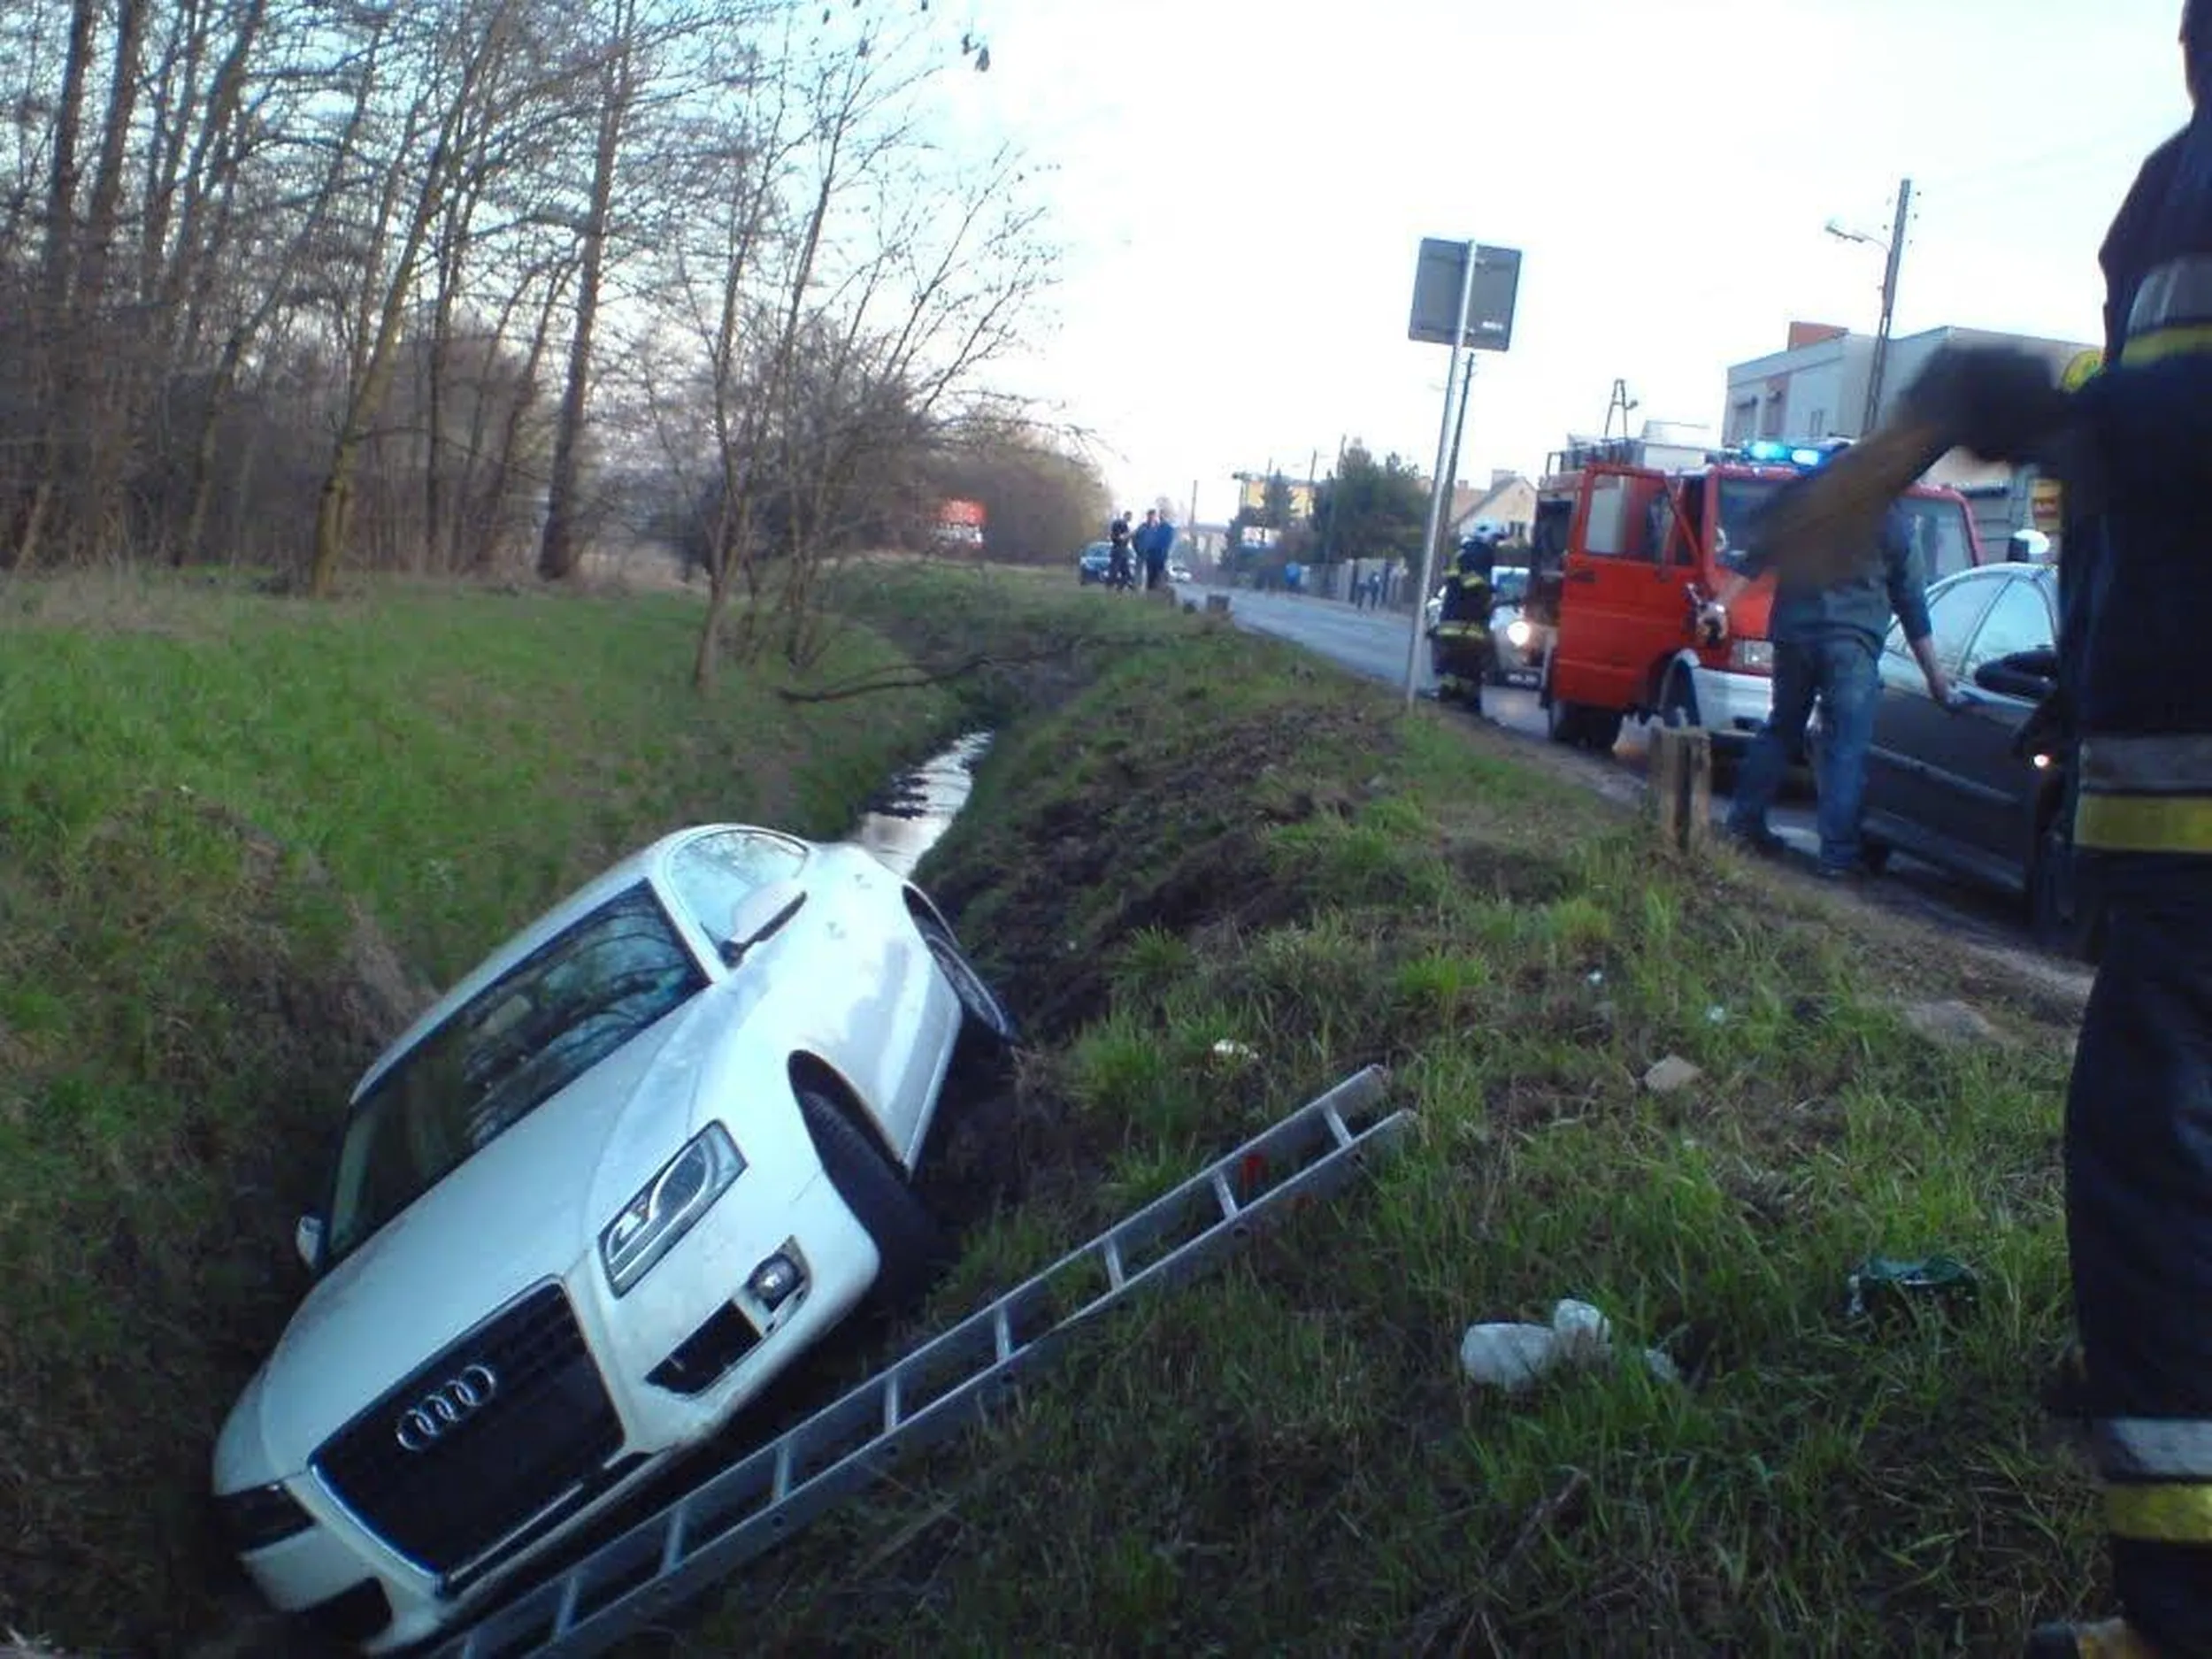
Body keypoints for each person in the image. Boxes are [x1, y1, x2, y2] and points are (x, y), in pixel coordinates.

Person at [1886, 9, 2212, 1655]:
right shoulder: (2173, 181)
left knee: (2160, 1187)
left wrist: (2064, 410)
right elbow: (2143, 511)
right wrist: (2083, 710)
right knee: (2162, 1194)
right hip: (2169, 810)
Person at [1701, 492, 1956, 879]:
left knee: (1781, 728)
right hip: (1852, 647)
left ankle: (1744, 823)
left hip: (1794, 638)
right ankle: (1837, 856)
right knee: (1845, 747)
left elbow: (1753, 559)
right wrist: (1936, 679)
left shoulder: (1807, 507)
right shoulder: (1894, 524)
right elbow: (1912, 606)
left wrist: (1719, 606)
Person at [1428, 530, 1499, 710]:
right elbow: (1472, 584)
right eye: (1495, 539)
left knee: (1460, 662)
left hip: (1456, 620)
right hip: (1465, 623)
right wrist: (1488, 592)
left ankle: (1452, 694)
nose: (1496, 544)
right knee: (1468, 663)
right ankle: (1464, 699)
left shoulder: (1464, 554)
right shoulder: (1474, 555)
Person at [1135, 508, 1173, 591]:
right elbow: (1146, 539)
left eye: (1163, 515)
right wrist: (1143, 549)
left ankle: (1155, 592)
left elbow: (1167, 543)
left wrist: (1163, 554)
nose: (1161, 516)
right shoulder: (1155, 527)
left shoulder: (1168, 528)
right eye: (1160, 515)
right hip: (1151, 555)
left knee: (1158, 576)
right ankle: (1149, 592)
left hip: (1160, 556)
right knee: (1150, 576)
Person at [1107, 511, 1133, 591]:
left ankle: (1120, 587)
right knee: (1115, 570)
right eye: (1130, 516)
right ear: (1126, 516)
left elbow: (1114, 536)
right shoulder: (1122, 524)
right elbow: (1120, 538)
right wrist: (1129, 535)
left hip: (1120, 550)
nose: (1131, 518)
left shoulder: (1118, 523)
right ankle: (1110, 586)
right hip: (1119, 550)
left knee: (1125, 571)